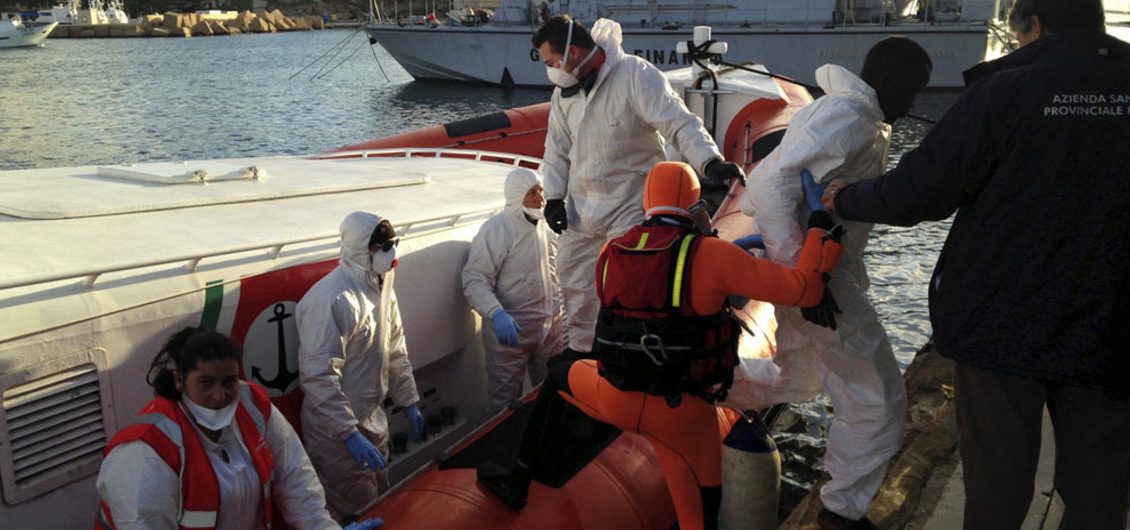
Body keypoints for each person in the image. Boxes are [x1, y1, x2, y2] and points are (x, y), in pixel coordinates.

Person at [822, 1, 1130, 528]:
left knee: (998, 480)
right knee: (1101, 485)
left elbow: (921, 191)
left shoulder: (1004, 91)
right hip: (1114, 324)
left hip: (1004, 317)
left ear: (1035, 25)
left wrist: (846, 197)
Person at [477, 161, 845, 530]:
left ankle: (517, 480)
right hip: (682, 412)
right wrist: (819, 227)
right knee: (699, 508)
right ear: (695, 204)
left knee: (558, 376)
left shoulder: (611, 250)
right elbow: (805, 290)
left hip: (615, 397)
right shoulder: (714, 254)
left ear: (648, 201)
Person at [733, 36, 933, 530]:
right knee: (878, 399)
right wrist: (802, 278)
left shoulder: (847, 113)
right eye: (911, 90)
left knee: (801, 375)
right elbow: (769, 183)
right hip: (818, 279)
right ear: (888, 81)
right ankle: (842, 511)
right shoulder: (851, 117)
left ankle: (698, 385)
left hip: (813, 275)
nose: (913, 102)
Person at [532, 15, 746, 355]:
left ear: (572, 53)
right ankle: (583, 353)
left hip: (630, 206)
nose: (551, 70)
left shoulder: (635, 75)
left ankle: (632, 351)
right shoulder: (564, 94)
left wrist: (710, 161)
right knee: (575, 283)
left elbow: (678, 122)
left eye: (551, 62)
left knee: (632, 284)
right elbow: (556, 148)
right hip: (582, 209)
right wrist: (555, 196)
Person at [95, 326, 383, 530]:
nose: (219, 395)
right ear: (180, 380)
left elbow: (296, 477)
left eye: (229, 382)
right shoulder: (146, 450)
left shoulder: (251, 404)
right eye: (206, 383)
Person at [296, 211, 425, 520]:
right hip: (334, 433)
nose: (391, 253)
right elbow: (318, 376)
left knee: (381, 494)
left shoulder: (382, 289)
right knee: (355, 508)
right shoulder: (331, 300)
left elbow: (395, 349)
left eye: (393, 244)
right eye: (382, 247)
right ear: (360, 250)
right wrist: (348, 433)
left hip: (372, 418)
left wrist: (409, 400)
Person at [463, 167, 568, 413]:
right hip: (510, 336)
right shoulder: (497, 230)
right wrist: (496, 313)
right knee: (504, 402)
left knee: (553, 394)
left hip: (550, 329)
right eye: (532, 193)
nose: (540, 198)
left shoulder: (547, 226)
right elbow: (474, 279)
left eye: (540, 190)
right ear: (517, 197)